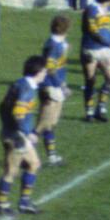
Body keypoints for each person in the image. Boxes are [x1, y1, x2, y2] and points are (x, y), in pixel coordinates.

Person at [0, 55, 47, 217]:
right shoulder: (26, 89)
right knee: (11, 171)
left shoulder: (20, 84)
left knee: (34, 163)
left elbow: (2, 107)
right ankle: (1, 205)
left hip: (14, 133)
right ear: (38, 72)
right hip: (16, 136)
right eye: (44, 70)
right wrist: (25, 133)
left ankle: (24, 202)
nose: (45, 74)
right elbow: (18, 113)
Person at [81, 0, 110, 122]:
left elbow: (108, 28)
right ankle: (89, 111)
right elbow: (93, 32)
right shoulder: (91, 9)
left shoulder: (109, 9)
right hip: (91, 49)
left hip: (105, 50)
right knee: (90, 81)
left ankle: (101, 107)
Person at [36, 15, 71, 166]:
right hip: (50, 86)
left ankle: (51, 156)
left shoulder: (60, 44)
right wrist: (62, 86)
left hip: (56, 86)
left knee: (51, 123)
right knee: (43, 124)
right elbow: (50, 68)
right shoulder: (53, 46)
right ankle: (24, 152)